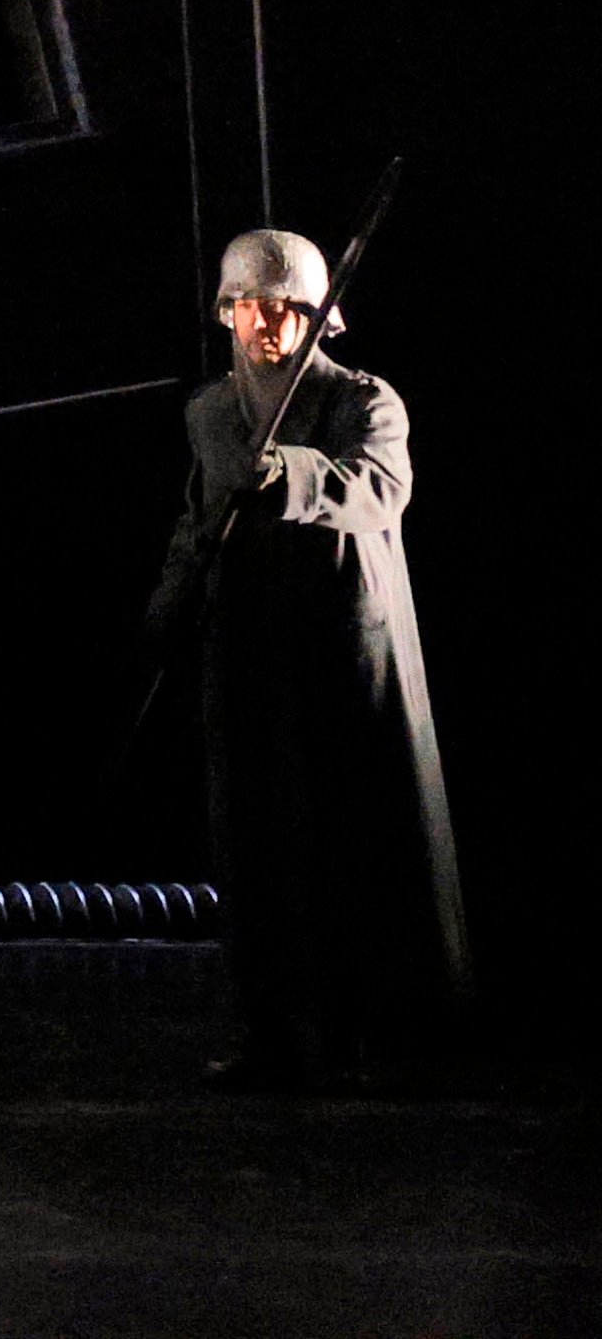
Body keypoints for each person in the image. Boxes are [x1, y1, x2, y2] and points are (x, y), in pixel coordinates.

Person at [161, 225, 452, 1086]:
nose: (271, 323)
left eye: (289, 307)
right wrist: (168, 605)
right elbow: (198, 518)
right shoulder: (211, 411)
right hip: (250, 648)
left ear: (317, 316)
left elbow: (381, 488)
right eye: (255, 306)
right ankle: (276, 1033)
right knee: (259, 842)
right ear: (229, 312)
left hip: (340, 648)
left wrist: (291, 471)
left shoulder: (364, 401)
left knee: (351, 837)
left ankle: (371, 1034)